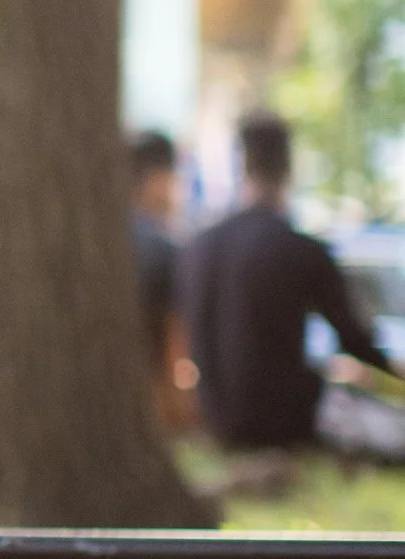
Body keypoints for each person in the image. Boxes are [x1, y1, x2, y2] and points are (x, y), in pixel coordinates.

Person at [178, 111, 405, 464]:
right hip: (287, 420)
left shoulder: (199, 246)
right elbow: (357, 341)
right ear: (289, 165)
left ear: (241, 165)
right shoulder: (301, 249)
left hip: (216, 420)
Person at [125, 130, 192, 428]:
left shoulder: (99, 242)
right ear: (157, 180)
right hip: (152, 400)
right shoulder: (163, 249)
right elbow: (175, 348)